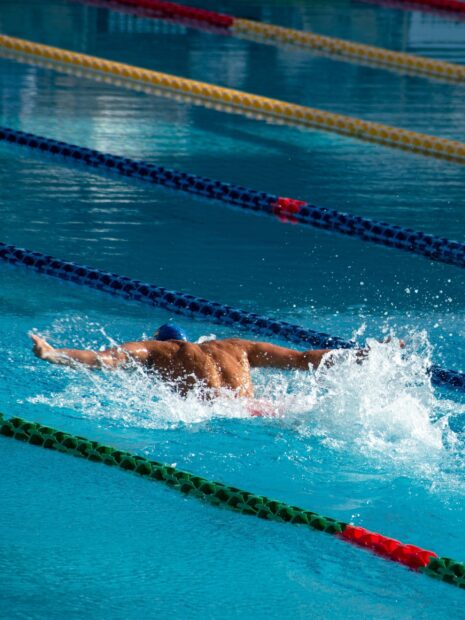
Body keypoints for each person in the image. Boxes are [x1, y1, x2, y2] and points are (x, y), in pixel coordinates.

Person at [30, 323, 343, 399]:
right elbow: (305, 359)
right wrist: (360, 356)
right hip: (263, 412)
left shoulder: (158, 351)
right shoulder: (237, 347)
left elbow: (104, 359)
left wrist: (52, 353)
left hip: (219, 418)